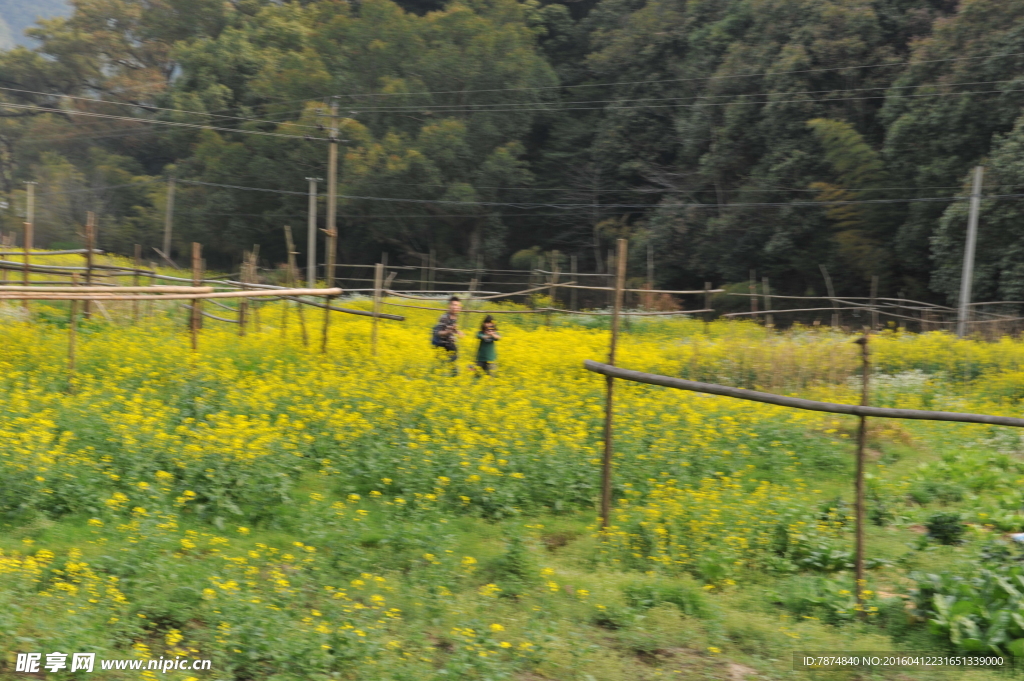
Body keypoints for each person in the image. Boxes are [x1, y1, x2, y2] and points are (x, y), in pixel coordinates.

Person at [431, 296, 463, 370]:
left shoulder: (455, 316)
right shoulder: (444, 317)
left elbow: (451, 327)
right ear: (449, 306)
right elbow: (438, 332)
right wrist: (448, 331)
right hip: (441, 344)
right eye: (454, 305)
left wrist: (457, 331)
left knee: (453, 360)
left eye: (458, 305)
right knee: (440, 365)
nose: (456, 307)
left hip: (449, 343)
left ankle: (452, 376)